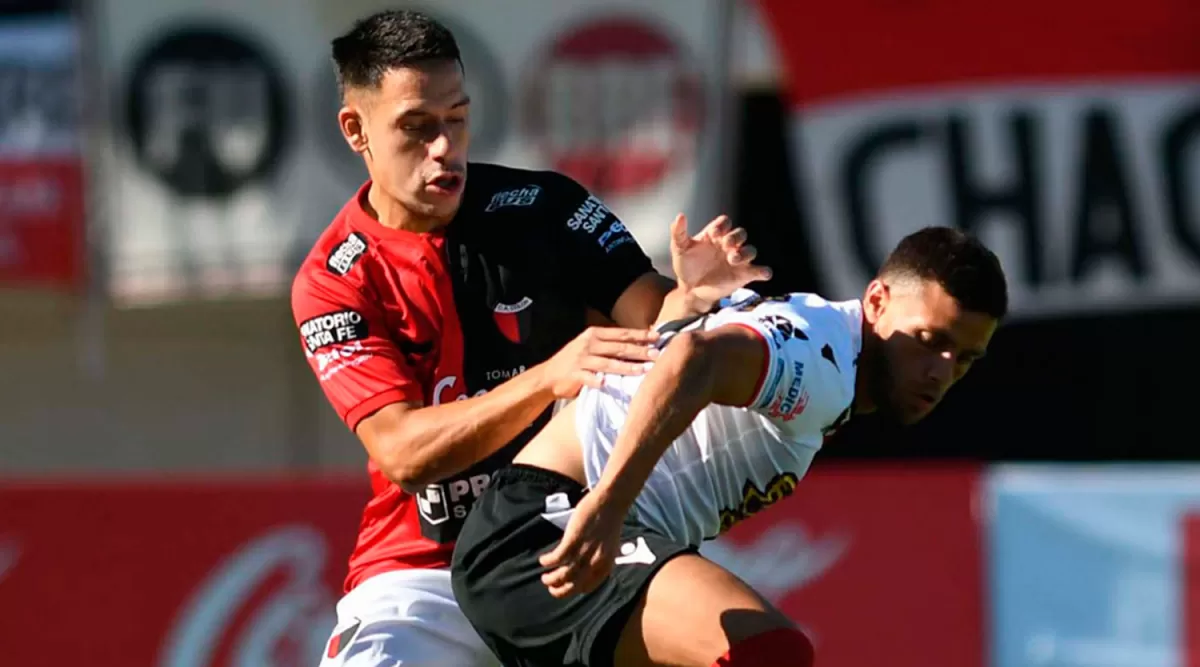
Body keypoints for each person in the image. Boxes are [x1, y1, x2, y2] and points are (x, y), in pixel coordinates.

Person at [291, 9, 770, 667]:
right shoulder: (333, 279)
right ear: (356, 130)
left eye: (456, 119)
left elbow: (655, 329)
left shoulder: (547, 207)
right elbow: (402, 451)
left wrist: (689, 300)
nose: (443, 148)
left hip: (561, 539)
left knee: (759, 647)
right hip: (420, 575)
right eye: (416, 127)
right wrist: (550, 376)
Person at [451, 226, 1009, 667]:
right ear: (878, 301)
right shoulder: (823, 360)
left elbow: (669, 361)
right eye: (931, 341)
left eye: (964, 359)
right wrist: (609, 505)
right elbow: (691, 362)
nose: (941, 372)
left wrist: (685, 300)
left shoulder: (814, 334)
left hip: (556, 532)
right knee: (767, 650)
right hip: (544, 531)